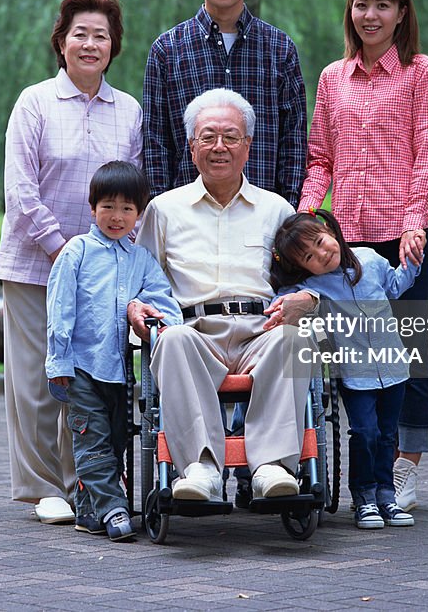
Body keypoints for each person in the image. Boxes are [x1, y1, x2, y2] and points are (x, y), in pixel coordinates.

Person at [299, 0, 428, 510]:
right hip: (349, 241)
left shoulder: (421, 72)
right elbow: (320, 157)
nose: (370, 15)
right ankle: (366, 468)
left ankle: (404, 467)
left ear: (401, 13)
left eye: (382, 5)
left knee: (410, 348)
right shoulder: (333, 78)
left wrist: (415, 221)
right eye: (361, 5)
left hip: (406, 236)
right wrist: (305, 216)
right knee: (355, 351)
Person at [0, 0, 143, 525]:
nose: (90, 43)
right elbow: (20, 189)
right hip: (37, 264)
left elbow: (133, 196)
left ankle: (86, 480)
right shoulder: (34, 102)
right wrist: (62, 249)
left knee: (88, 377)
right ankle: (39, 487)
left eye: (101, 35)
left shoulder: (128, 111)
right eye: (80, 33)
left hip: (101, 274)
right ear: (61, 41)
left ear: (113, 46)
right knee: (35, 378)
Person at [130, 88, 319, 504]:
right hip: (195, 332)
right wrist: (134, 305)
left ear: (248, 146)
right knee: (172, 339)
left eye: (231, 137)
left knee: (295, 339)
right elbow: (139, 278)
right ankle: (202, 468)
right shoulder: (164, 209)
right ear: (191, 146)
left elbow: (308, 279)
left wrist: (309, 301)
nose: (220, 147)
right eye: (208, 136)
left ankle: (271, 466)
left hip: (262, 331)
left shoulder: (276, 210)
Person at [45, 161, 183, 541]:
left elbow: (164, 301)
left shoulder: (140, 259)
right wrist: (58, 361)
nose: (116, 216)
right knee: (91, 437)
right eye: (108, 206)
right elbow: (60, 309)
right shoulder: (77, 251)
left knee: (117, 439)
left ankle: (89, 512)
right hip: (81, 368)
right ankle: (114, 509)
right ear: (92, 208)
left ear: (140, 213)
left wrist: (144, 310)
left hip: (121, 370)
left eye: (127, 208)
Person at [270, 209, 421, 529]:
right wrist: (294, 300)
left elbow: (395, 286)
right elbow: (289, 298)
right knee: (365, 432)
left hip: (395, 368)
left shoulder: (371, 259)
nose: (322, 254)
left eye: (320, 242)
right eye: (309, 256)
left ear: (330, 230)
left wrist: (413, 260)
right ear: (302, 267)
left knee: (387, 435)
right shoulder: (314, 287)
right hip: (355, 375)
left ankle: (386, 497)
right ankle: (364, 497)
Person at [142, 0, 307, 208]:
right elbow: (156, 144)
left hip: (263, 218)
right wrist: (160, 211)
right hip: (187, 219)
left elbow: (293, 143)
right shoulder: (167, 50)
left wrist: (287, 213)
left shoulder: (280, 49)